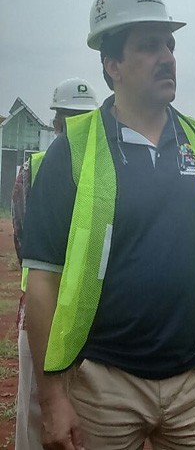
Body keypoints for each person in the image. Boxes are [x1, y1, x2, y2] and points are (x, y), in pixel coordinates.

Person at [20, 0, 195, 449]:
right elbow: (43, 279)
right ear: (111, 64)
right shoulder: (73, 152)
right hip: (104, 381)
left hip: (194, 381)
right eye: (148, 46)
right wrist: (53, 396)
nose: (167, 56)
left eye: (169, 44)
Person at [11, 77, 99, 450]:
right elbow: (24, 245)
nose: (76, 126)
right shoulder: (34, 169)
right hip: (43, 312)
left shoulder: (103, 172)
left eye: (84, 118)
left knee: (87, 415)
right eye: (70, 118)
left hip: (90, 314)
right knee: (37, 414)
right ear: (57, 122)